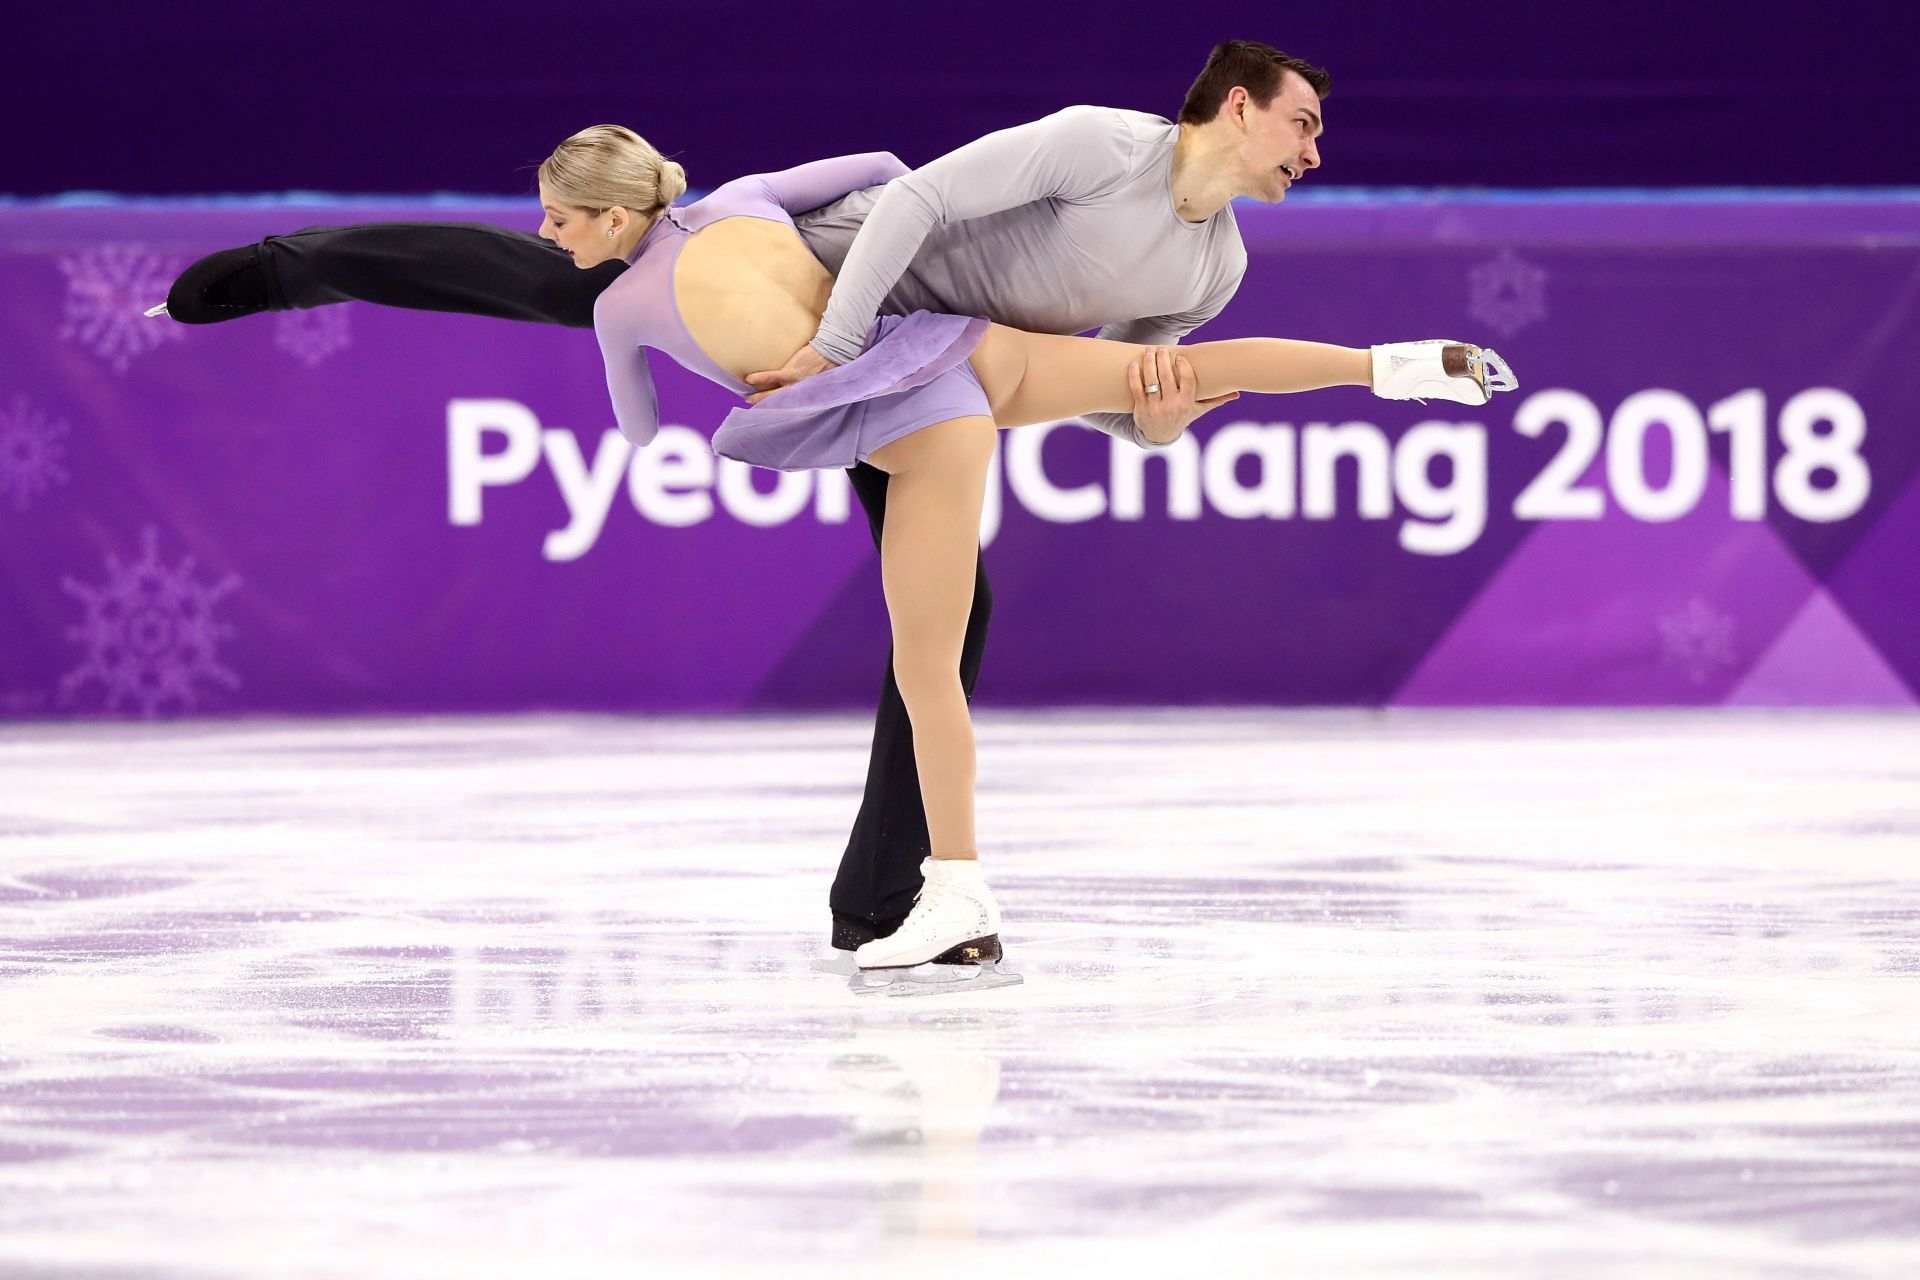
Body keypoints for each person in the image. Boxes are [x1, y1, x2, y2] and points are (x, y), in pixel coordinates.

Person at [154, 43, 1496, 981]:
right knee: (557, 289)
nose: (1318, 148)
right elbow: (906, 188)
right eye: (1304, 121)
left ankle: (894, 902)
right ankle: (276, 269)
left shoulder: (1215, 265)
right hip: (837, 290)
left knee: (952, 620)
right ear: (1236, 107)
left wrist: (1150, 416)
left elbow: (1117, 401)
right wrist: (834, 342)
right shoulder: (1103, 146)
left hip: (925, 365)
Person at [531, 118, 1511, 987]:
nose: (546, 237)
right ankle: (1403, 365)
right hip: (954, 342)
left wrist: (639, 334)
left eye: (560, 223)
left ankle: (958, 890)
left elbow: (639, 434)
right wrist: (848, 299)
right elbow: (883, 166)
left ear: (615, 223)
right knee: (1175, 370)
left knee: (927, 665)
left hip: (921, 422)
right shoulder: (745, 198)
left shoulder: (620, 307)